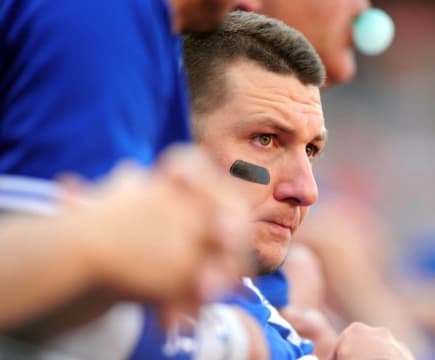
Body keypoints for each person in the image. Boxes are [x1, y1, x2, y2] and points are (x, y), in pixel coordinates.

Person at [0, 0, 268, 358]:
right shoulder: (103, 11)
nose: (253, 5)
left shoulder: (155, 31)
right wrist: (240, 342)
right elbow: (43, 321)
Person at [183, 10, 414, 360]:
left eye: (311, 150)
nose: (307, 191)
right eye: (266, 139)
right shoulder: (129, 306)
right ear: (176, 139)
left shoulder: (280, 306)